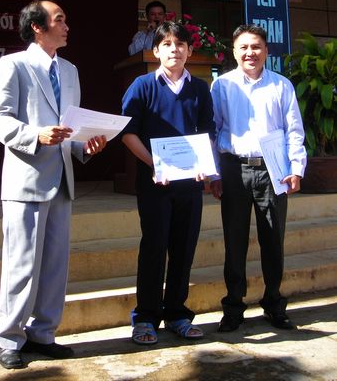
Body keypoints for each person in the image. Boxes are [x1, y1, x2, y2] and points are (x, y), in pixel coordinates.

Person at [0, 0, 107, 370]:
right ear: (38, 27)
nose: (66, 25)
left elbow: (71, 127)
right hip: (26, 178)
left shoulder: (69, 70)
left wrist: (86, 146)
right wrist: (35, 135)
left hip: (62, 181)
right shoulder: (13, 65)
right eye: (59, 19)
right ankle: (10, 339)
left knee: (55, 266)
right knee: (21, 265)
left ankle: (43, 334)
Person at [121, 21, 216, 345]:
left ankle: (177, 313)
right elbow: (128, 133)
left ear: (189, 50)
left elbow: (207, 132)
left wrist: (205, 166)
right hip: (155, 184)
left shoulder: (200, 88)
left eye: (180, 44)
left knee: (183, 249)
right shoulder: (142, 85)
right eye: (167, 44)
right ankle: (145, 318)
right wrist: (155, 163)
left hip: (190, 184)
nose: (174, 49)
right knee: (154, 248)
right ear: (156, 50)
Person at [210, 24, 307, 332]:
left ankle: (274, 304)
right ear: (234, 51)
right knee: (234, 241)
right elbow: (213, 131)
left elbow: (294, 130)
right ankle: (233, 307)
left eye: (256, 47)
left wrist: (296, 168)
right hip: (234, 170)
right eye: (244, 47)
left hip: (273, 171)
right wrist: (214, 173)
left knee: (273, 240)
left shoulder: (281, 85)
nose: (250, 52)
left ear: (266, 50)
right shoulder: (221, 86)